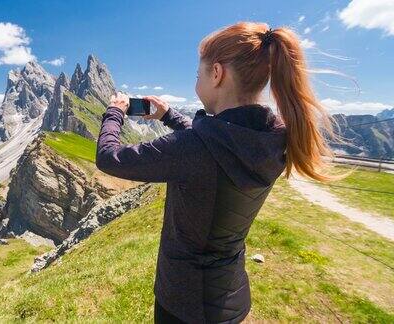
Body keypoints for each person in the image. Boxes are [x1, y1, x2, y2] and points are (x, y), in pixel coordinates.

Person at [95, 22, 342, 323]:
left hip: (184, 303)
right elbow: (214, 144)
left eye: (197, 75)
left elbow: (109, 158)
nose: (195, 83)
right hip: (229, 299)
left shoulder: (197, 148)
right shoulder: (274, 139)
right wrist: (169, 116)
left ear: (217, 73)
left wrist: (115, 112)